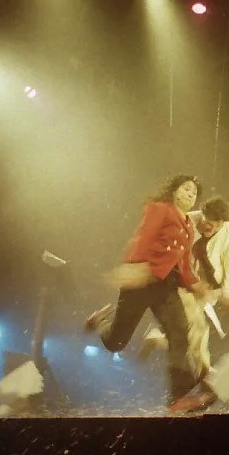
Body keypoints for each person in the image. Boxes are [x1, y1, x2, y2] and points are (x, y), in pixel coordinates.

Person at [83, 174, 215, 413]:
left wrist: (196, 285)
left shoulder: (188, 226)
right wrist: (134, 266)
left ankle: (177, 398)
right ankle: (100, 322)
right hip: (143, 279)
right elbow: (144, 237)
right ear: (174, 191)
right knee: (116, 342)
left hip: (166, 285)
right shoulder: (160, 209)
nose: (190, 194)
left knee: (181, 334)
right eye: (186, 189)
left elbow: (183, 263)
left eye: (194, 192)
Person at [138, 195, 229, 364]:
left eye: (215, 224)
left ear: (222, 223)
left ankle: (158, 338)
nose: (209, 226)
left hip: (208, 289)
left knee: (187, 331)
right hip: (186, 283)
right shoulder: (186, 221)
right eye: (207, 220)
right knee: (198, 329)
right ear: (202, 213)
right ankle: (203, 371)